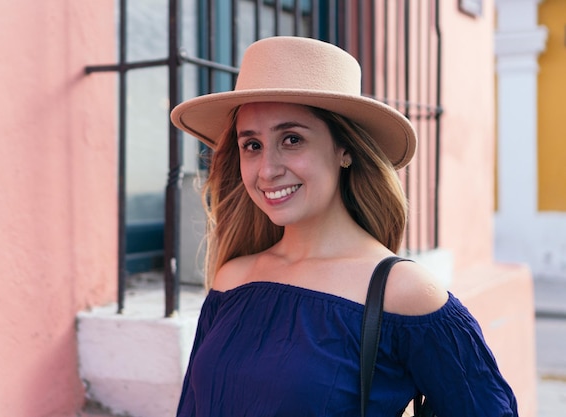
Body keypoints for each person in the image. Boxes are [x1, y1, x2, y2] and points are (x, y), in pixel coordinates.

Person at [170, 36, 518, 417]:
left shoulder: (404, 293)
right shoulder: (232, 280)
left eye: (291, 139)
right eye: (251, 145)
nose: (267, 169)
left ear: (345, 149)